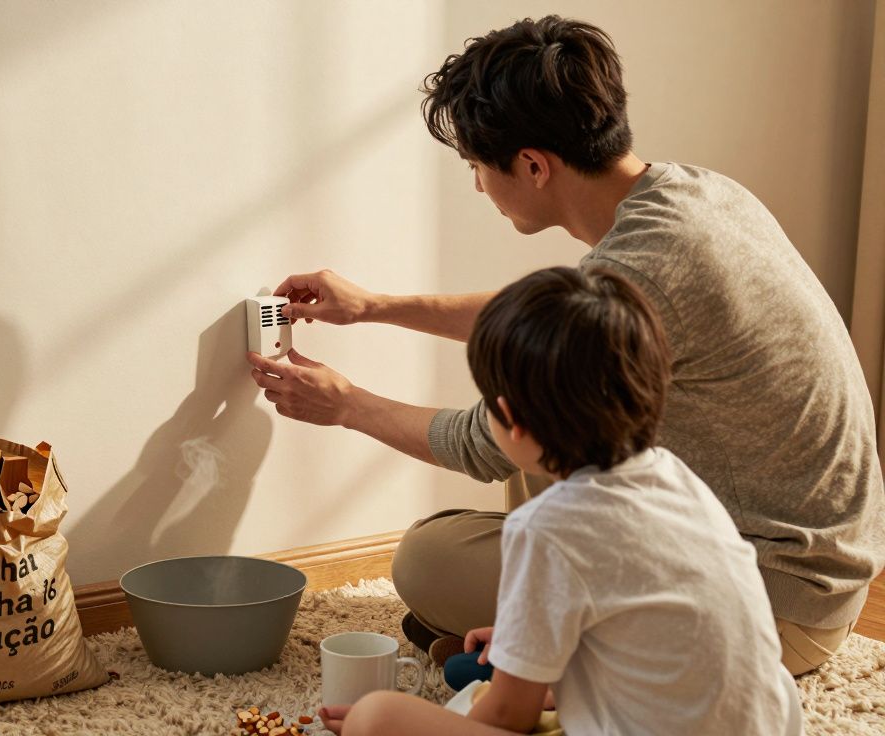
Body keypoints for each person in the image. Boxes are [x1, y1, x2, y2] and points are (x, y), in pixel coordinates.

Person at [245, 15, 884, 676]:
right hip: (813, 573)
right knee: (546, 430)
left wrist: (345, 404)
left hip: (767, 610)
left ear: (532, 165)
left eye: (477, 166)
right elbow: (555, 316)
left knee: (427, 557)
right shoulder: (695, 194)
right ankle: (546, 641)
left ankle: (556, 651)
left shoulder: (647, 272)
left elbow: (480, 443)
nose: (478, 185)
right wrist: (375, 307)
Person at [314, 266, 803, 735]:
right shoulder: (676, 477)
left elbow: (510, 716)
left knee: (378, 716)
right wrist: (525, 640)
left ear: (508, 418)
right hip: (768, 724)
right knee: (491, 673)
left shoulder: (545, 527)